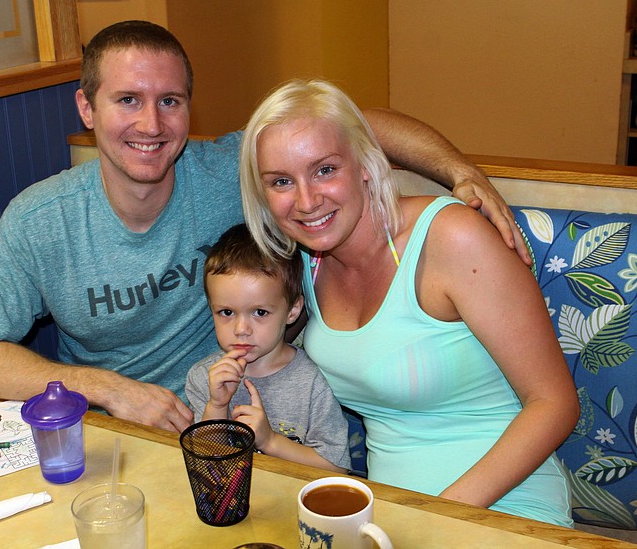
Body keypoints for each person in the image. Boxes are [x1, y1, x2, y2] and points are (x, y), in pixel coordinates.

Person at [0, 20, 529, 434]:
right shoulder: (41, 221)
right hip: (118, 439)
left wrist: (459, 171)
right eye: (128, 100)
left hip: (250, 430)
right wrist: (109, 390)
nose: (151, 124)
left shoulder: (233, 172)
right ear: (86, 109)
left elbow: (351, 124)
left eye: (170, 101)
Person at [238, 78, 580, 526]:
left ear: (365, 162)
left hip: (504, 504)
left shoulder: (452, 237)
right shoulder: (302, 262)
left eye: (325, 170)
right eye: (282, 181)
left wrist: (435, 516)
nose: (306, 201)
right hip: (390, 515)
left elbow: (555, 403)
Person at [185, 224, 350, 472]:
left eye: (260, 312)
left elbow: (337, 469)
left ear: (292, 310)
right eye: (226, 312)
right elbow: (204, 467)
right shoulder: (205, 378)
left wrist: (270, 441)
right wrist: (217, 406)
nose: (241, 329)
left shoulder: (312, 381)